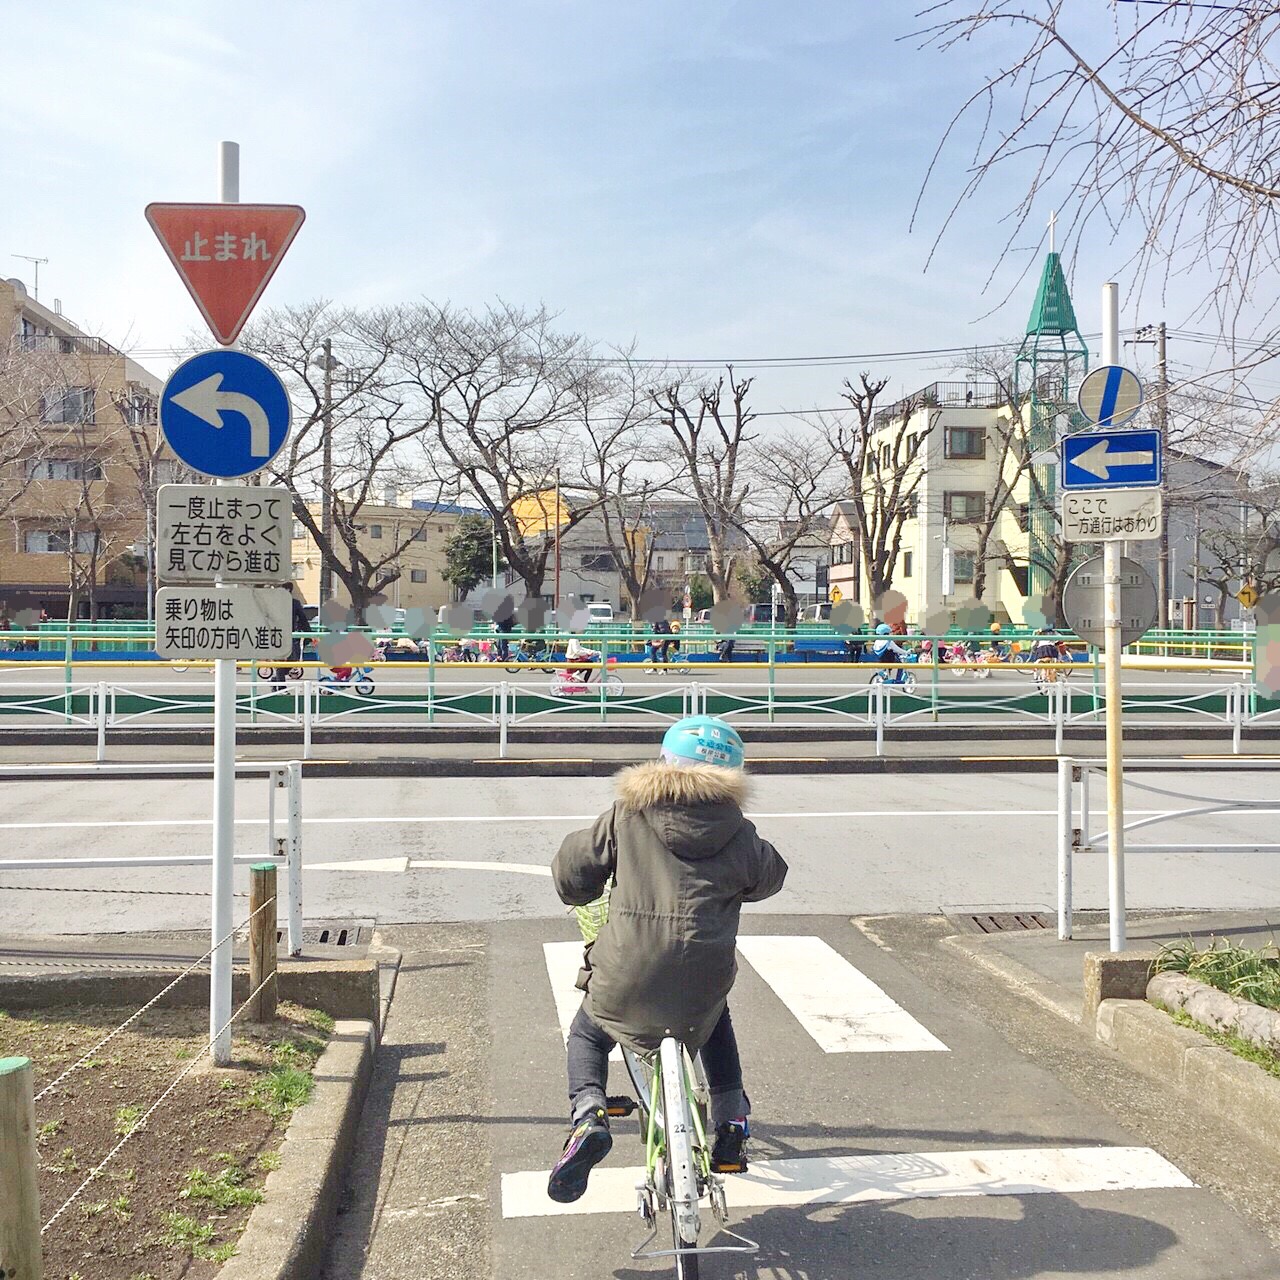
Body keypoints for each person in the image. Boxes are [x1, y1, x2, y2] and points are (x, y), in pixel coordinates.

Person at [546, 716, 788, 1203]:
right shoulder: (738, 831)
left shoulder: (628, 814)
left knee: (589, 1030)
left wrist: (582, 887)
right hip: (704, 971)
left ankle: (588, 1113)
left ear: (664, 761)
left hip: (628, 969)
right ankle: (731, 1119)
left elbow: (574, 872)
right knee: (714, 1018)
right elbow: (770, 877)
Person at [272, 587, 312, 691]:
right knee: (280, 661)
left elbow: (303, 619)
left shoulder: (294, 603)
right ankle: (282, 688)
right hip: (277, 635)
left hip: (291, 636)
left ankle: (275, 680)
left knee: (293, 661)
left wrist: (309, 635)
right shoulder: (273, 603)